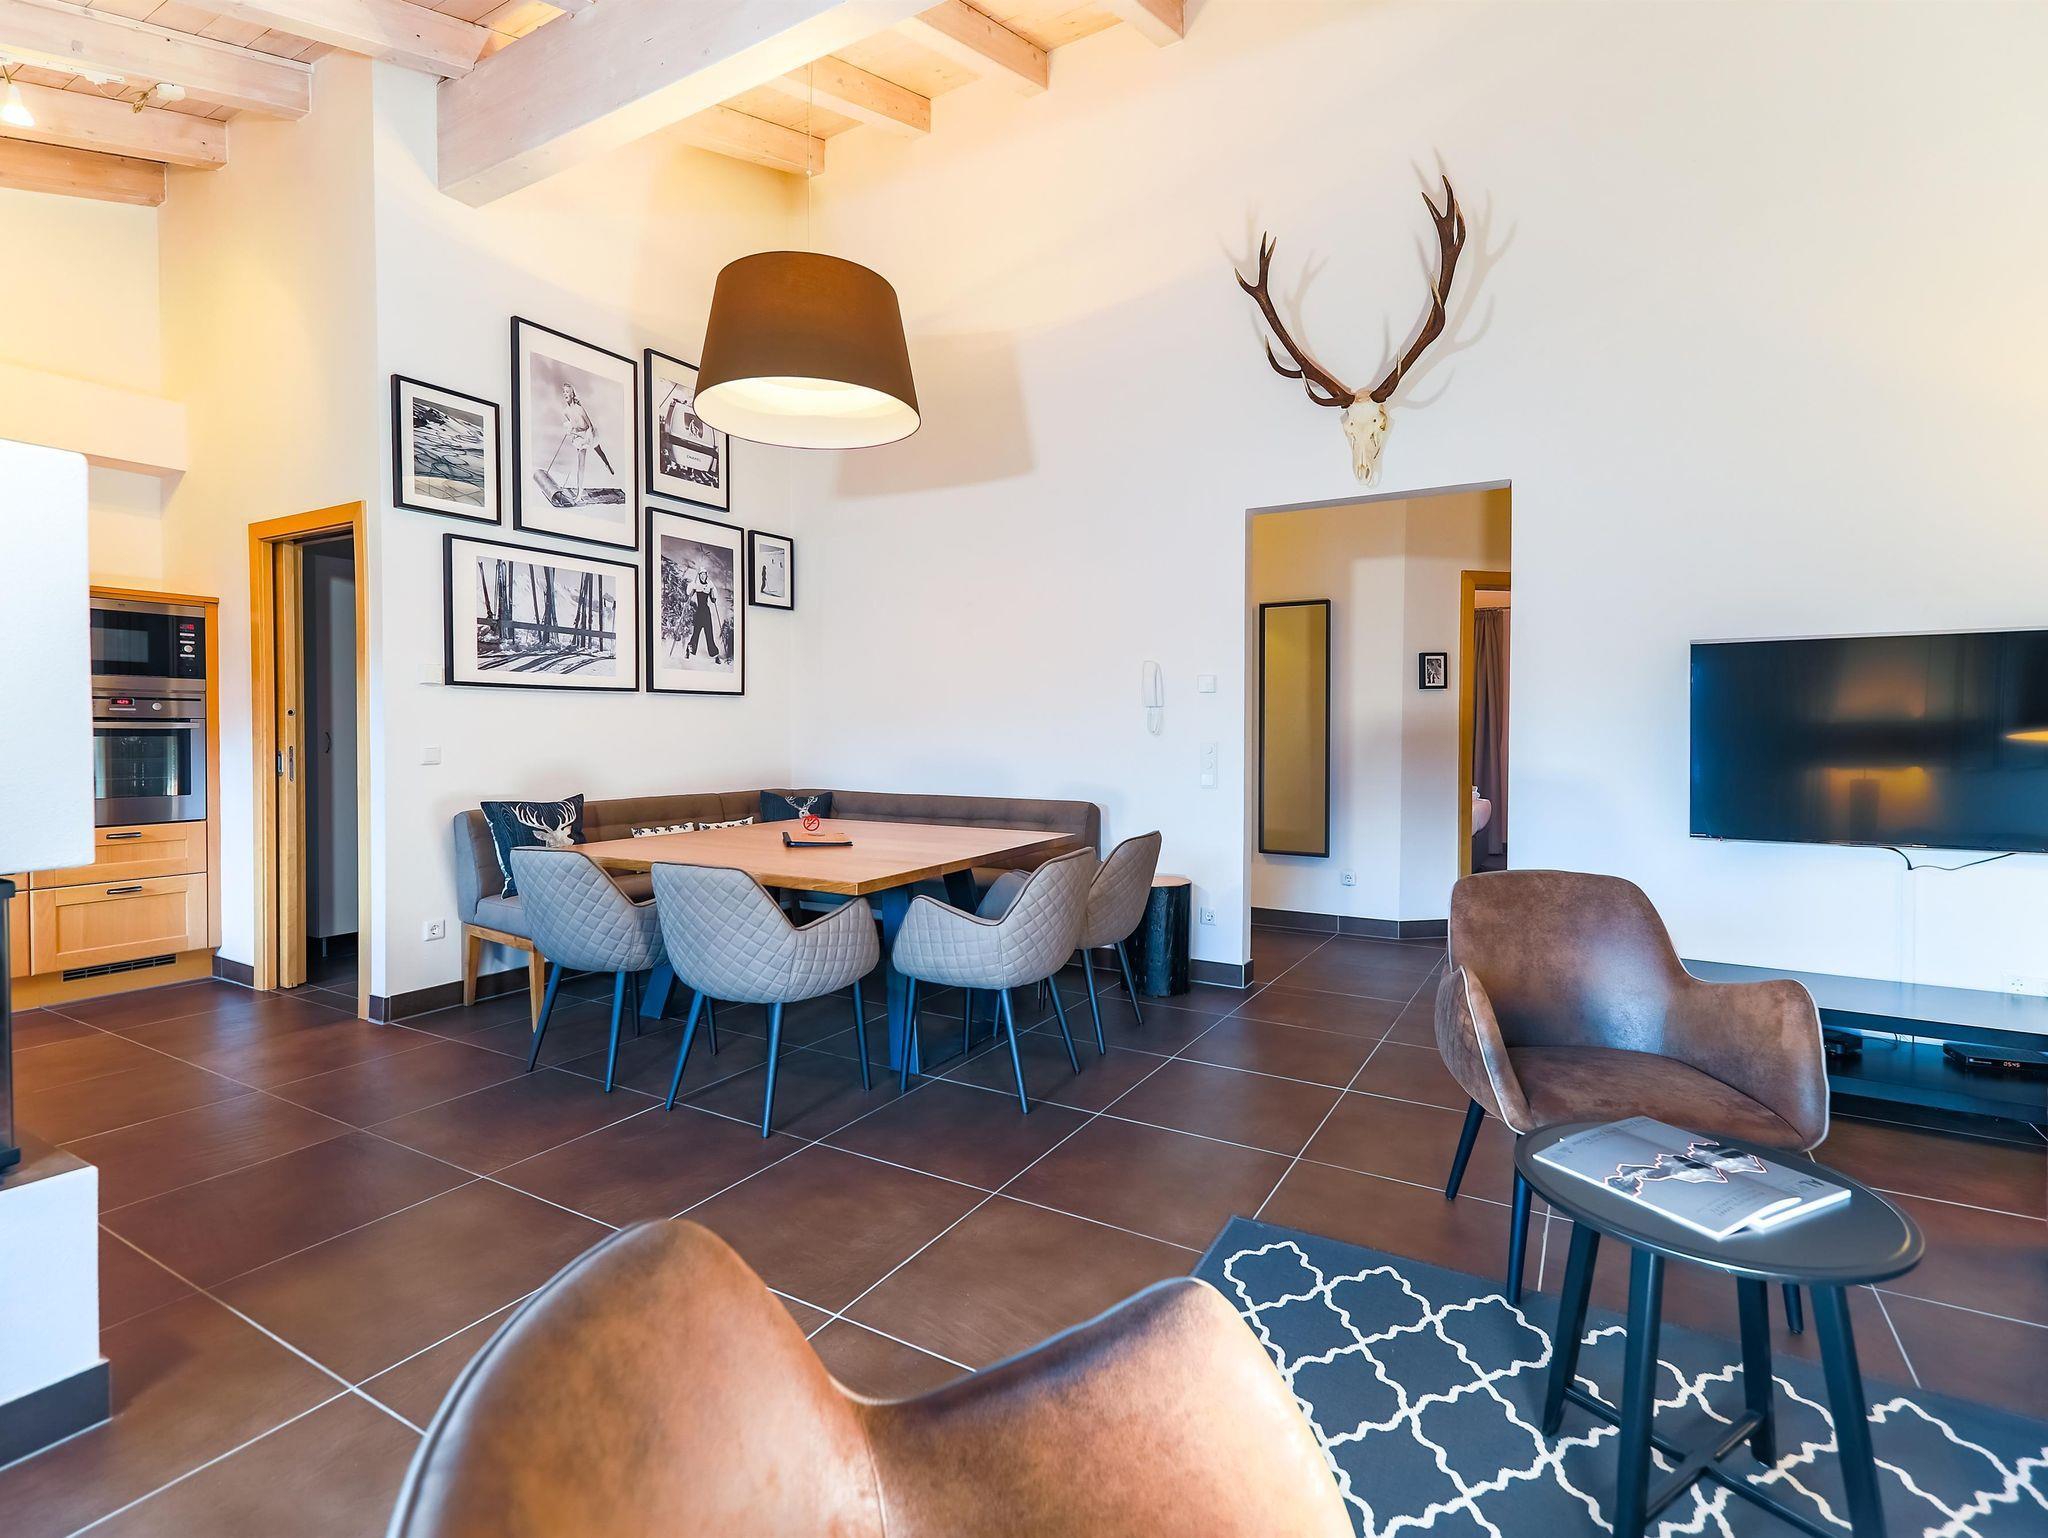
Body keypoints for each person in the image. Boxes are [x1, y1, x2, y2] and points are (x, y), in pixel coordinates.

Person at [557, 383, 614, 499]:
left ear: (572, 394)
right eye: (564, 391)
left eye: (567, 391)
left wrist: (587, 438)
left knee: (599, 451)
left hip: (589, 433)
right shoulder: (565, 411)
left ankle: (607, 464)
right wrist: (570, 430)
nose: (565, 393)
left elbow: (590, 426)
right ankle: (579, 492)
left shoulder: (580, 409)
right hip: (579, 437)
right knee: (581, 465)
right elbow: (573, 425)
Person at [683, 563, 723, 663]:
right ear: (699, 575)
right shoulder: (696, 584)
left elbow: (713, 599)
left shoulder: (710, 585)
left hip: (706, 612)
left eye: (704, 575)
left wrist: (713, 595)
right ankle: (689, 649)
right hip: (699, 612)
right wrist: (692, 587)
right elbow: (689, 592)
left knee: (709, 633)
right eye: (701, 575)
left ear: (706, 575)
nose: (703, 576)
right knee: (696, 633)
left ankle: (715, 654)